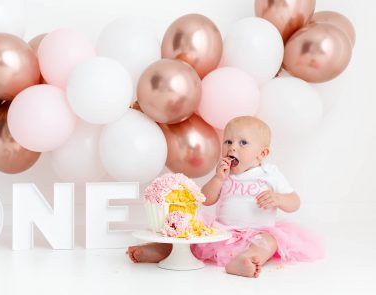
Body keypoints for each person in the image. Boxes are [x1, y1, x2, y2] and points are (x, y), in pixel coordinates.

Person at [127, 116, 324, 278]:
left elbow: (294, 201)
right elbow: (205, 198)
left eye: (243, 143)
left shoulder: (270, 174)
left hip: (256, 233)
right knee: (191, 233)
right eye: (228, 141)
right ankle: (162, 250)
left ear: (262, 153)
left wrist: (279, 199)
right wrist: (218, 179)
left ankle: (244, 260)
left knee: (270, 242)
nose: (232, 148)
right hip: (222, 233)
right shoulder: (224, 174)